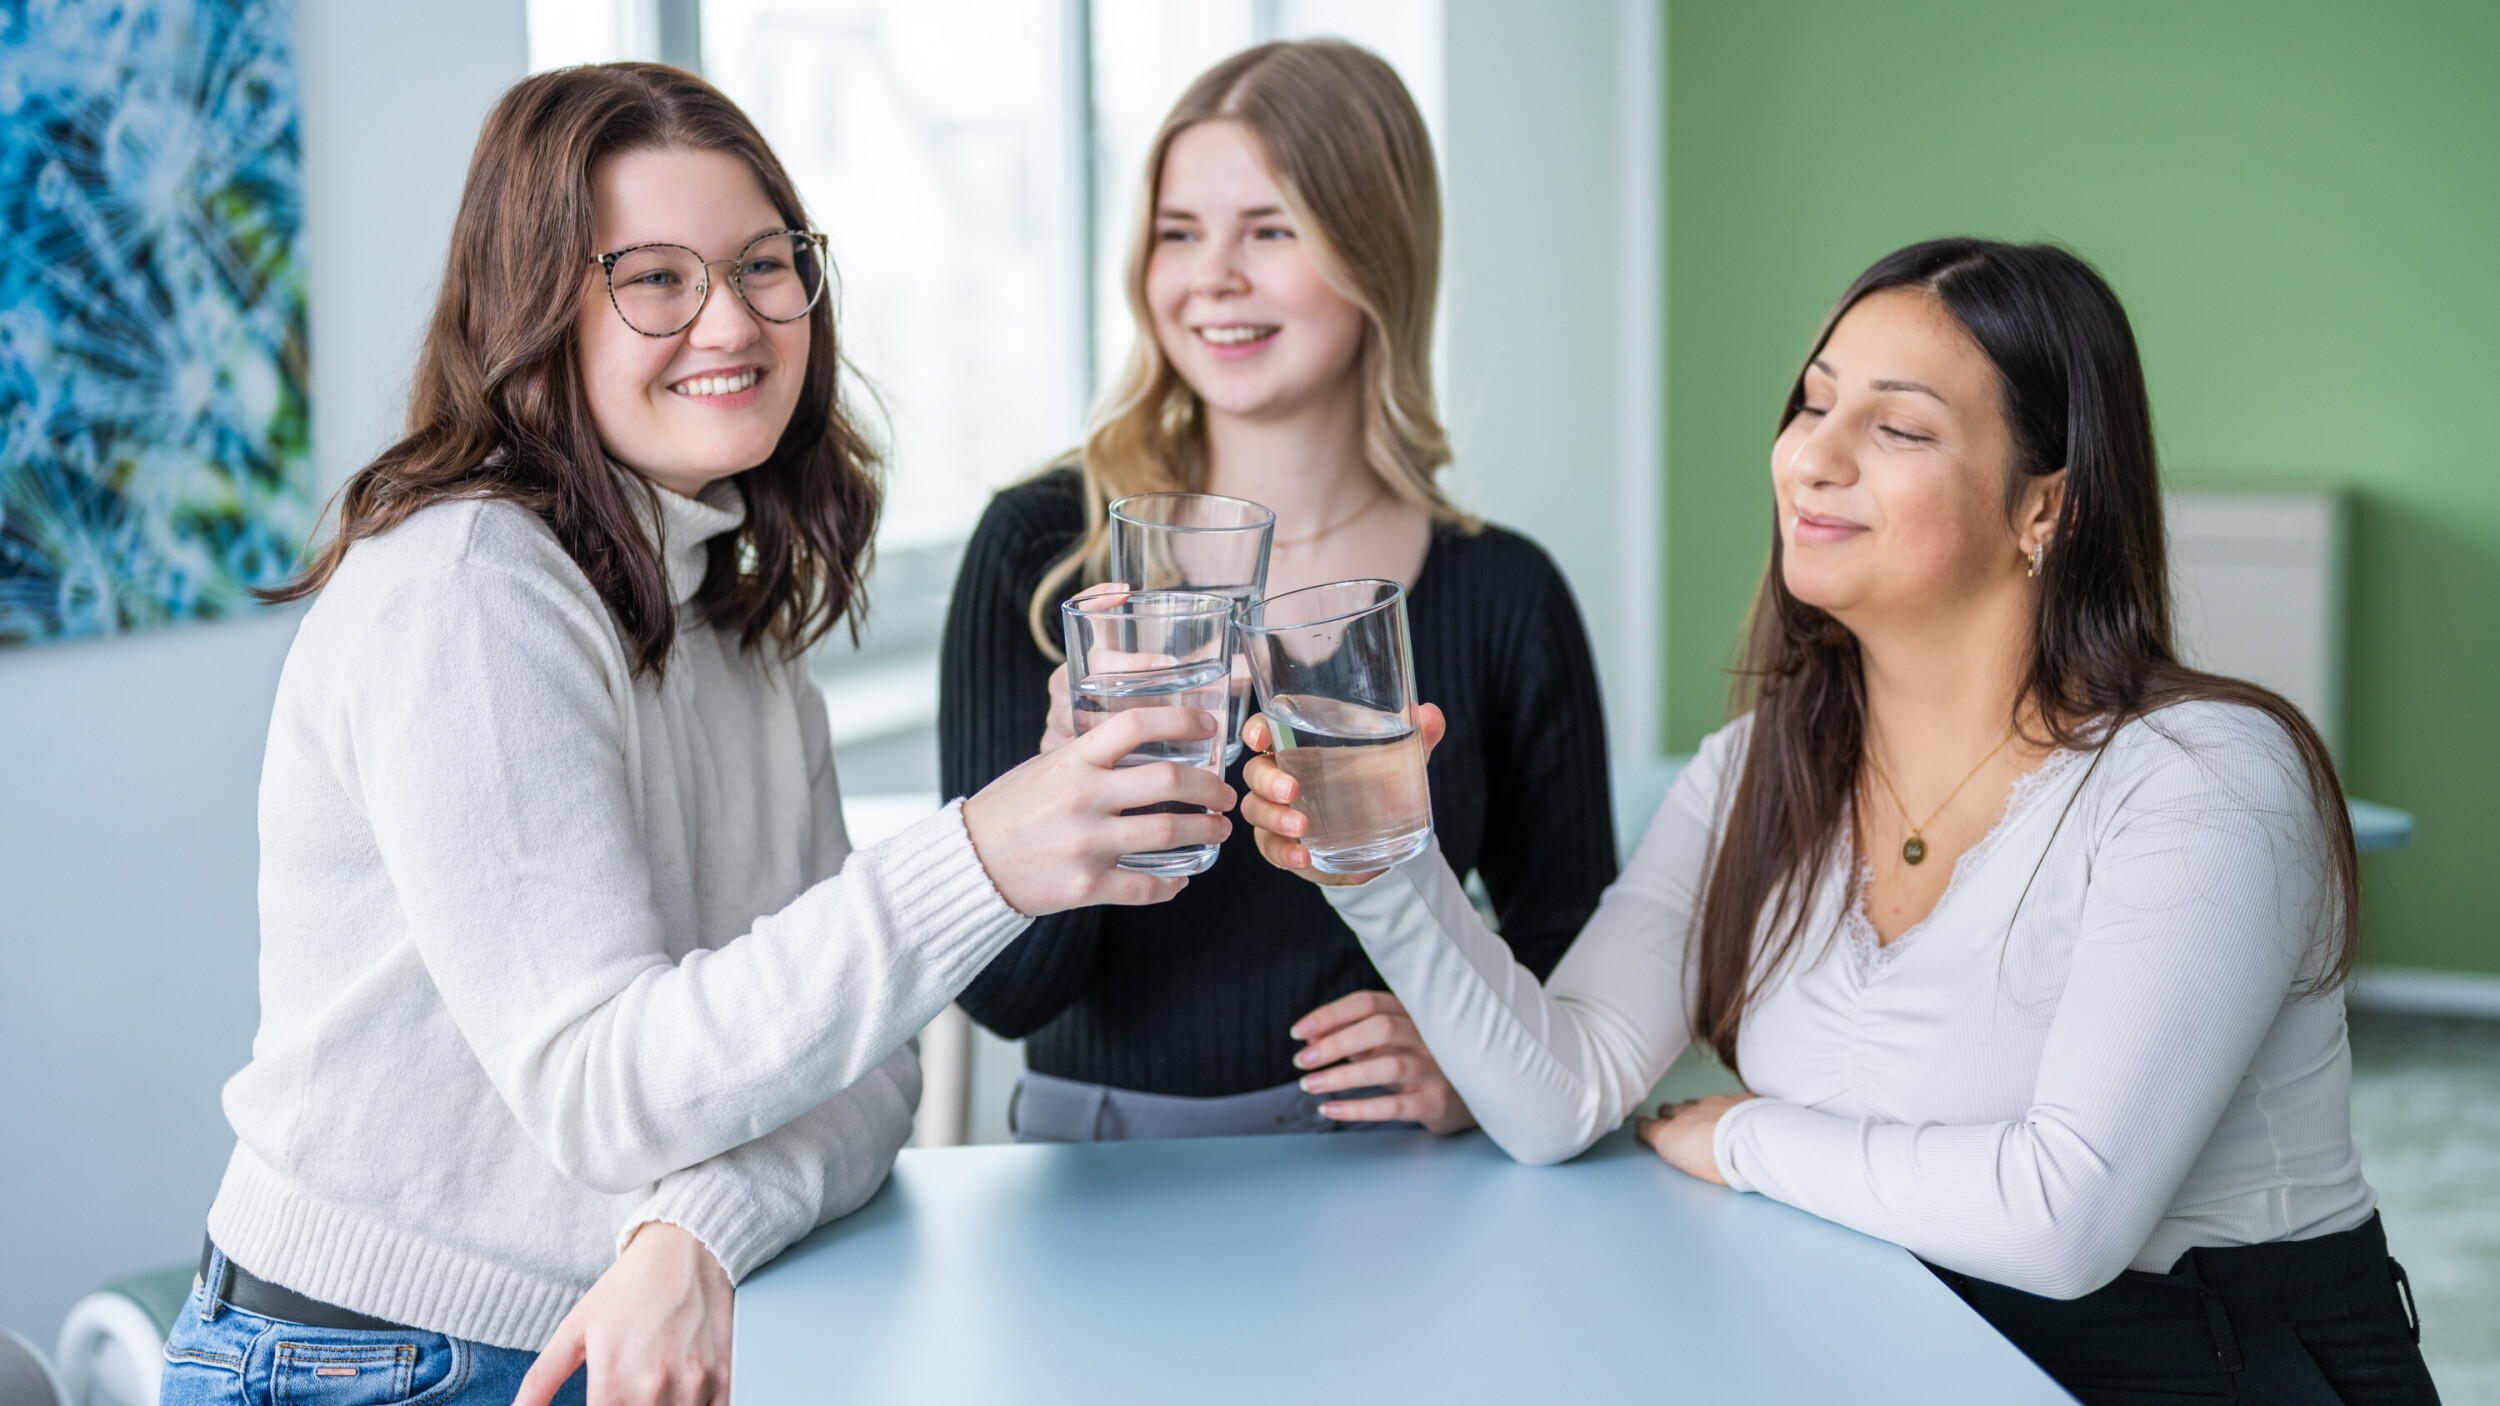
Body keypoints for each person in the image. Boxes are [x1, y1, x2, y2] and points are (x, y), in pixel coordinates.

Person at [161, 64, 1231, 1406]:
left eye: (763, 265)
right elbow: (604, 1086)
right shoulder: (470, 588)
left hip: (630, 1328)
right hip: (367, 1357)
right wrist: (982, 858)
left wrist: (696, 1226)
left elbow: (871, 1064)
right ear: (536, 310)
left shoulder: (728, 606)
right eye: (656, 279)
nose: (732, 319)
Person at [1240, 239, 2441, 1404]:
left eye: (1897, 427)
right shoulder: (1755, 769)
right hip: (1886, 1342)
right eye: (1812, 406)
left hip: (2200, 1363)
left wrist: (1749, 1137)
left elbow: (2064, 1215)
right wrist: (1381, 860)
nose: (1811, 457)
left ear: (2048, 506)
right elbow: (1560, 1093)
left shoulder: (2203, 775)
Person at [939, 40, 1614, 1142]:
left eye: (1270, 229)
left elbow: (1574, 964)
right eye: (1178, 233)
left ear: (1375, 252)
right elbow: (1004, 997)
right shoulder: (1041, 552)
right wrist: (1066, 790)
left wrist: (1469, 1064)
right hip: (1103, 1174)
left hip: (1394, 1182)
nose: (1212, 275)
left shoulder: (1508, 594)